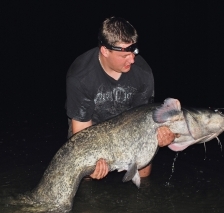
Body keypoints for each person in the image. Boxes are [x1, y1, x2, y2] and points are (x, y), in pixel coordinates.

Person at [65, 17, 175, 180]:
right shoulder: (80, 76)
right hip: (93, 127)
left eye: (134, 51)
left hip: (128, 126)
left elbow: (144, 119)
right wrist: (92, 163)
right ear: (105, 51)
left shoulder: (143, 73)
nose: (132, 59)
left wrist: (162, 136)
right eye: (124, 53)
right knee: (86, 173)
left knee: (144, 171)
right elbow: (82, 132)